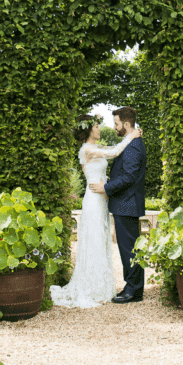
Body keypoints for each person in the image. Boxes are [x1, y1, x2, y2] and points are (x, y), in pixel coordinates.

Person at [50, 113, 142, 308]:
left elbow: (113, 150)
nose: (101, 129)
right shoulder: (87, 149)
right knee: (94, 240)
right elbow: (116, 152)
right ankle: (92, 288)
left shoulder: (96, 147)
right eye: (97, 126)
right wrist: (131, 135)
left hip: (103, 199)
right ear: (89, 130)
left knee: (101, 241)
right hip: (93, 198)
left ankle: (102, 287)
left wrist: (107, 186)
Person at [88, 106, 146, 303]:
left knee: (129, 248)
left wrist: (106, 187)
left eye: (116, 123)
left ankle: (134, 290)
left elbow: (129, 177)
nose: (114, 127)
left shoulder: (134, 145)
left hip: (127, 203)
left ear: (127, 124)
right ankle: (133, 287)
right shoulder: (130, 142)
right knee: (129, 247)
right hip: (125, 203)